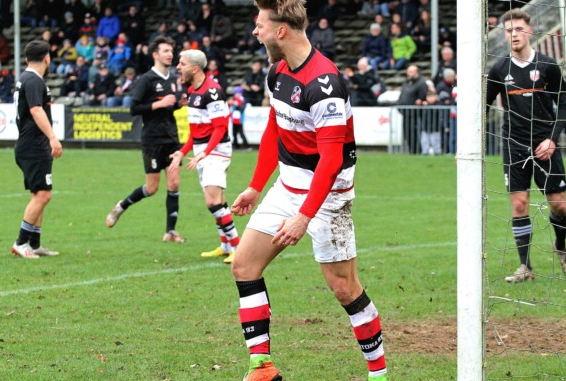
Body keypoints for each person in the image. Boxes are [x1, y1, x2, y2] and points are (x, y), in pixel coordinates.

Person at [228, 1, 388, 381]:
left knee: (344, 289)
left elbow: (331, 162)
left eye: (260, 25)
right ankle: (263, 368)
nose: (255, 32)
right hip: (287, 186)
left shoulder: (325, 84)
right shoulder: (277, 72)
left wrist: (305, 216)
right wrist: (255, 186)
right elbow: (274, 130)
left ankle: (379, 375)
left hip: (328, 197)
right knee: (244, 265)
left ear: (281, 30)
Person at [486, 8, 566, 283]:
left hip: (545, 144)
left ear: (530, 30)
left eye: (518, 29)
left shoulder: (548, 66)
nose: (514, 34)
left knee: (559, 205)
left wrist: (552, 139)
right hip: (514, 144)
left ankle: (560, 247)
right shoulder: (500, 69)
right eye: (509, 30)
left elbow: (563, 106)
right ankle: (525, 267)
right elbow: (483, 106)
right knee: (519, 204)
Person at [105, 37, 186, 244]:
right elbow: (133, 109)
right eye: (166, 51)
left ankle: (170, 231)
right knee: (152, 188)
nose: (170, 54)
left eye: (171, 50)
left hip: (172, 138)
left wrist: (178, 104)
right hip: (152, 140)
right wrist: (159, 105)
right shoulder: (146, 80)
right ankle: (121, 206)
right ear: (155, 55)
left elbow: (170, 105)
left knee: (174, 183)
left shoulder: (173, 79)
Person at [170, 49, 240, 264]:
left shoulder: (213, 92)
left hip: (216, 150)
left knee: (212, 201)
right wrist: (182, 152)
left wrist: (205, 154)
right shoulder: (192, 91)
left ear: (195, 68)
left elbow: (220, 128)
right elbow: (195, 131)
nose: (178, 67)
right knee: (218, 201)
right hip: (203, 151)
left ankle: (237, 246)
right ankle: (226, 246)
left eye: (182, 63)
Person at [11, 40, 63, 259]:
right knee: (43, 195)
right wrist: (53, 138)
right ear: (47, 59)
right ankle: (21, 243)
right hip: (33, 145)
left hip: (30, 144)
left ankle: (34, 244)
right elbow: (35, 109)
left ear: (26, 58)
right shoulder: (33, 80)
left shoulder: (27, 79)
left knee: (40, 193)